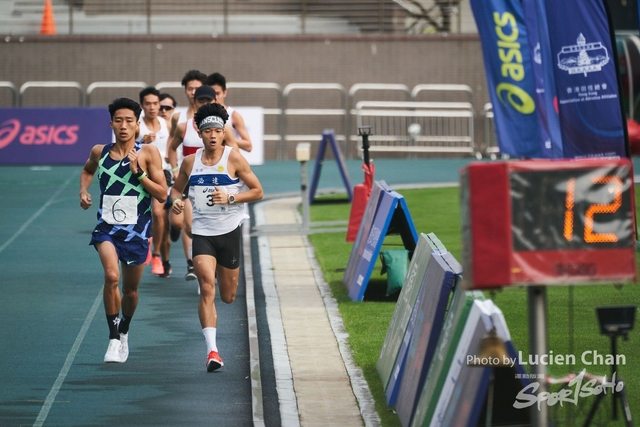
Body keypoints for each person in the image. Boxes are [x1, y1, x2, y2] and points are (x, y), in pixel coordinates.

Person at [170, 102, 263, 371]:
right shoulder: (190, 162)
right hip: (202, 233)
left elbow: (258, 191)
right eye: (208, 130)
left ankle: (214, 342)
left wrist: (231, 196)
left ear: (224, 133)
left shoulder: (233, 158)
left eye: (217, 131)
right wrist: (175, 202)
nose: (212, 135)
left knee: (229, 296)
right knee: (207, 287)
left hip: (230, 231)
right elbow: (176, 191)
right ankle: (212, 351)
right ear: (199, 133)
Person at [79, 97, 168, 363]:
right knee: (111, 277)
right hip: (107, 228)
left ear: (137, 125)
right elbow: (87, 170)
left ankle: (125, 328)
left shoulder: (148, 153)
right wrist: (83, 191)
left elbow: (162, 194)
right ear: (111, 124)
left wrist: (139, 174)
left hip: (137, 232)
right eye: (119, 120)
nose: (124, 126)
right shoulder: (100, 151)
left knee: (130, 291)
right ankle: (113, 338)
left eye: (129, 121)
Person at [167, 84, 238, 288]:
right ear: (193, 101)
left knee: (228, 295)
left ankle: (208, 263)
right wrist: (174, 170)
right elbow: (171, 149)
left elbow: (236, 153)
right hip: (192, 182)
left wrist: (232, 182)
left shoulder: (224, 127)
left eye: (209, 101)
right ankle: (197, 264)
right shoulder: (185, 126)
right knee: (188, 225)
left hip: (218, 185)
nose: (204, 104)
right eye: (201, 101)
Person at [167, 70, 208, 281]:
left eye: (197, 89)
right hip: (186, 178)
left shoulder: (215, 120)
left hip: (208, 178)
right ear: (184, 91)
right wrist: (174, 170)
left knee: (196, 222)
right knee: (181, 223)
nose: (193, 93)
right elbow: (171, 145)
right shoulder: (179, 119)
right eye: (190, 89)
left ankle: (201, 260)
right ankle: (191, 262)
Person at [138, 86, 172, 278]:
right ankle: (143, 245)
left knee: (159, 214)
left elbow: (174, 146)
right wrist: (141, 141)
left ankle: (156, 254)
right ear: (142, 105)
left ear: (160, 104)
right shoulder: (136, 126)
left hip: (163, 173)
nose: (152, 107)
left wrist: (172, 163)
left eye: (155, 103)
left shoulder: (166, 123)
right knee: (141, 214)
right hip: (141, 173)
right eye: (148, 104)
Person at [207, 72, 253, 152]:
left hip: (228, 159)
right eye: (212, 94)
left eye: (218, 93)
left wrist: (228, 138)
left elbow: (248, 145)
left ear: (224, 93)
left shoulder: (233, 115)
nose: (215, 97)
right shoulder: (203, 114)